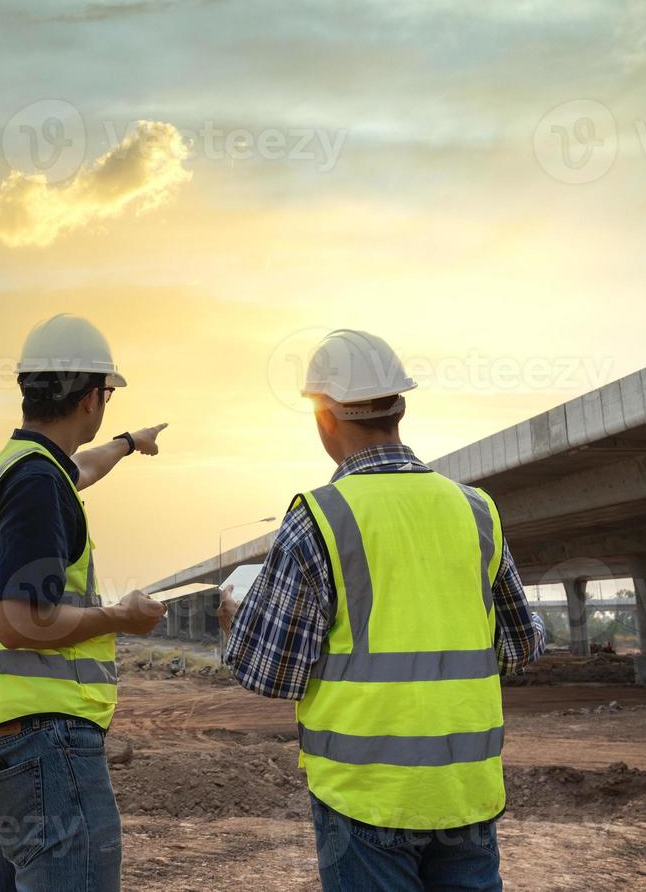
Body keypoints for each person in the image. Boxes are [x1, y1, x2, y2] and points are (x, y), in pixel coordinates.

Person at [218, 329, 545, 892]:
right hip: (465, 795)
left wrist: (235, 620)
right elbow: (519, 646)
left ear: (324, 418)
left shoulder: (319, 517)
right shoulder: (476, 510)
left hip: (365, 798)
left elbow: (271, 673)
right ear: (401, 407)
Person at [0, 313, 169, 892]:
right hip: (46, 741)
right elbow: (17, 620)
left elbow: (81, 468)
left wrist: (128, 444)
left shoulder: (26, 467)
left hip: (9, 733)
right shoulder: (36, 484)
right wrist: (122, 619)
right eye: (106, 393)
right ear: (90, 398)